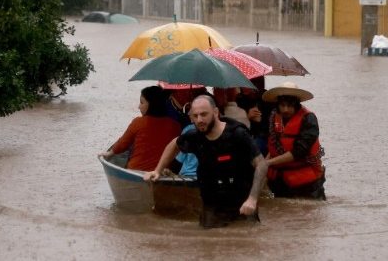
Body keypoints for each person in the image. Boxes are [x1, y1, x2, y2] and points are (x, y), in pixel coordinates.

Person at [144, 95, 268, 228]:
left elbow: (261, 164)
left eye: (204, 114)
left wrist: (253, 198)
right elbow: (174, 144)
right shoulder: (195, 137)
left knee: (246, 241)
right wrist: (158, 170)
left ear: (215, 112)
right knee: (207, 243)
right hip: (211, 205)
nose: (199, 120)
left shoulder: (237, 134)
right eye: (195, 116)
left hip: (242, 203)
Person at [262, 81, 326, 200]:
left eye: (290, 105)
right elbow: (274, 144)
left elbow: (299, 151)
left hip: (307, 182)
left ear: (296, 104)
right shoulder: (273, 117)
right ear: (278, 105)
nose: (285, 109)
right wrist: (263, 166)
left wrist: (268, 163)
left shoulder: (309, 119)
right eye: (282, 105)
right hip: (280, 181)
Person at [99, 86, 182, 171]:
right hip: (163, 172)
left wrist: (109, 153)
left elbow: (123, 143)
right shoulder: (175, 125)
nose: (139, 106)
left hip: (136, 170)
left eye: (142, 102)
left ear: (152, 104)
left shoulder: (138, 122)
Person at [236, 76, 271, 155]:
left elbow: (271, 124)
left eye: (245, 83)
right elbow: (236, 124)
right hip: (245, 135)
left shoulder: (268, 98)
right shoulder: (240, 100)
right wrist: (248, 117)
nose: (242, 86)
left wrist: (261, 120)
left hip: (264, 137)